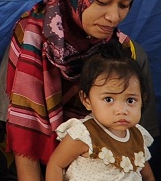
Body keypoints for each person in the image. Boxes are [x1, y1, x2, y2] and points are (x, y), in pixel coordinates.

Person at [0, 0, 159, 180]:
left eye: (124, 5)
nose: (113, 16)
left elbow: (134, 143)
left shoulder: (126, 54)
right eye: (103, 1)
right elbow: (24, 134)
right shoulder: (32, 39)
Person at [46, 47, 154, 180]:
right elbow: (56, 165)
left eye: (130, 100)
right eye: (108, 99)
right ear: (87, 100)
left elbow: (148, 176)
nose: (121, 110)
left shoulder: (138, 136)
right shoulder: (84, 134)